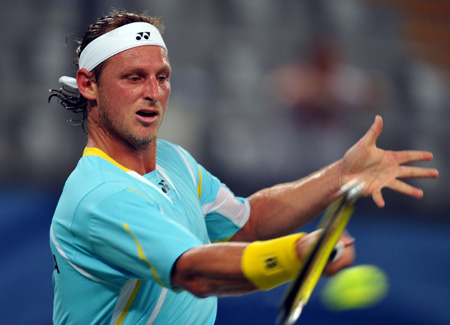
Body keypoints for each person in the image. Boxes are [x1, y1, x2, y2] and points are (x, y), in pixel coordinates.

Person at [48, 9, 438, 325]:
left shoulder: (173, 159)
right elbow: (195, 271)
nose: (153, 91)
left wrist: (341, 174)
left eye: (162, 77)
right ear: (88, 85)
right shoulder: (101, 197)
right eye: (133, 78)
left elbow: (247, 223)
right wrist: (298, 254)